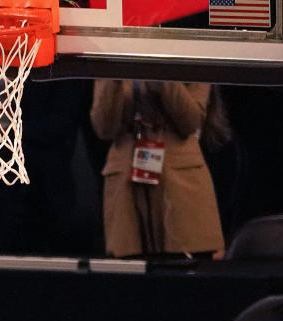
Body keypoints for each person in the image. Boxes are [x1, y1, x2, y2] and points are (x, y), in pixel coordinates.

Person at [89, 80, 226, 258]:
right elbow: (104, 128)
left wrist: (162, 74)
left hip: (179, 180)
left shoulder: (194, 54)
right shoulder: (113, 58)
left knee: (185, 271)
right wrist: (115, 74)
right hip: (126, 179)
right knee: (131, 271)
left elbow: (190, 122)